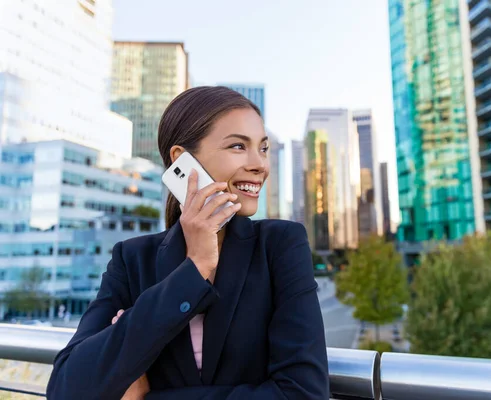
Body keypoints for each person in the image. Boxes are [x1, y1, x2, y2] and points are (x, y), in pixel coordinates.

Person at [46, 86, 329, 400]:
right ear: (182, 161)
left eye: (262, 148)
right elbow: (65, 390)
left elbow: (303, 394)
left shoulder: (280, 245)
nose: (260, 164)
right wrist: (194, 270)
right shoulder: (132, 259)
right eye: (238, 146)